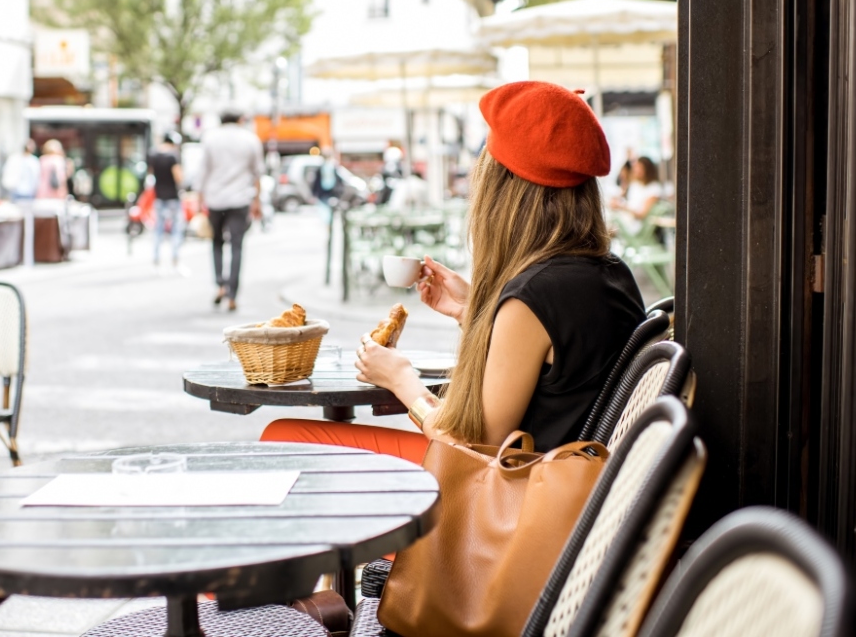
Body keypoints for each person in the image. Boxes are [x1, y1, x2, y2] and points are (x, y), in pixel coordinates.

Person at [261, 81, 646, 462]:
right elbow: (560, 374)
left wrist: (400, 379)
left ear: (504, 192)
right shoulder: (611, 272)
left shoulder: (533, 299)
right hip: (568, 483)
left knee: (284, 436)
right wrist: (474, 312)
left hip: (513, 496)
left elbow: (471, 447)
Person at [197, 110, 265, 312]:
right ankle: (233, 295)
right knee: (237, 246)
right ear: (240, 119)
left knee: (216, 242)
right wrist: (257, 200)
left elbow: (203, 171)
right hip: (240, 199)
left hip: (215, 199)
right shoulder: (250, 139)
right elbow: (257, 172)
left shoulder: (210, 138)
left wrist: (200, 197)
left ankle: (220, 284)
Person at [148, 132, 186, 268]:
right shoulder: (173, 156)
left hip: (159, 196)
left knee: (158, 228)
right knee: (176, 227)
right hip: (173, 197)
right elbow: (179, 177)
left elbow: (150, 174)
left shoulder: (153, 155)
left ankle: (156, 258)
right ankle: (175, 257)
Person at [610, 156, 662, 235]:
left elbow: (641, 214)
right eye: (636, 167)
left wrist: (622, 207)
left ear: (647, 170)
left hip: (638, 227)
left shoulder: (654, 188)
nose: (636, 170)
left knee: (612, 223)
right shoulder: (636, 185)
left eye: (640, 168)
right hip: (629, 220)